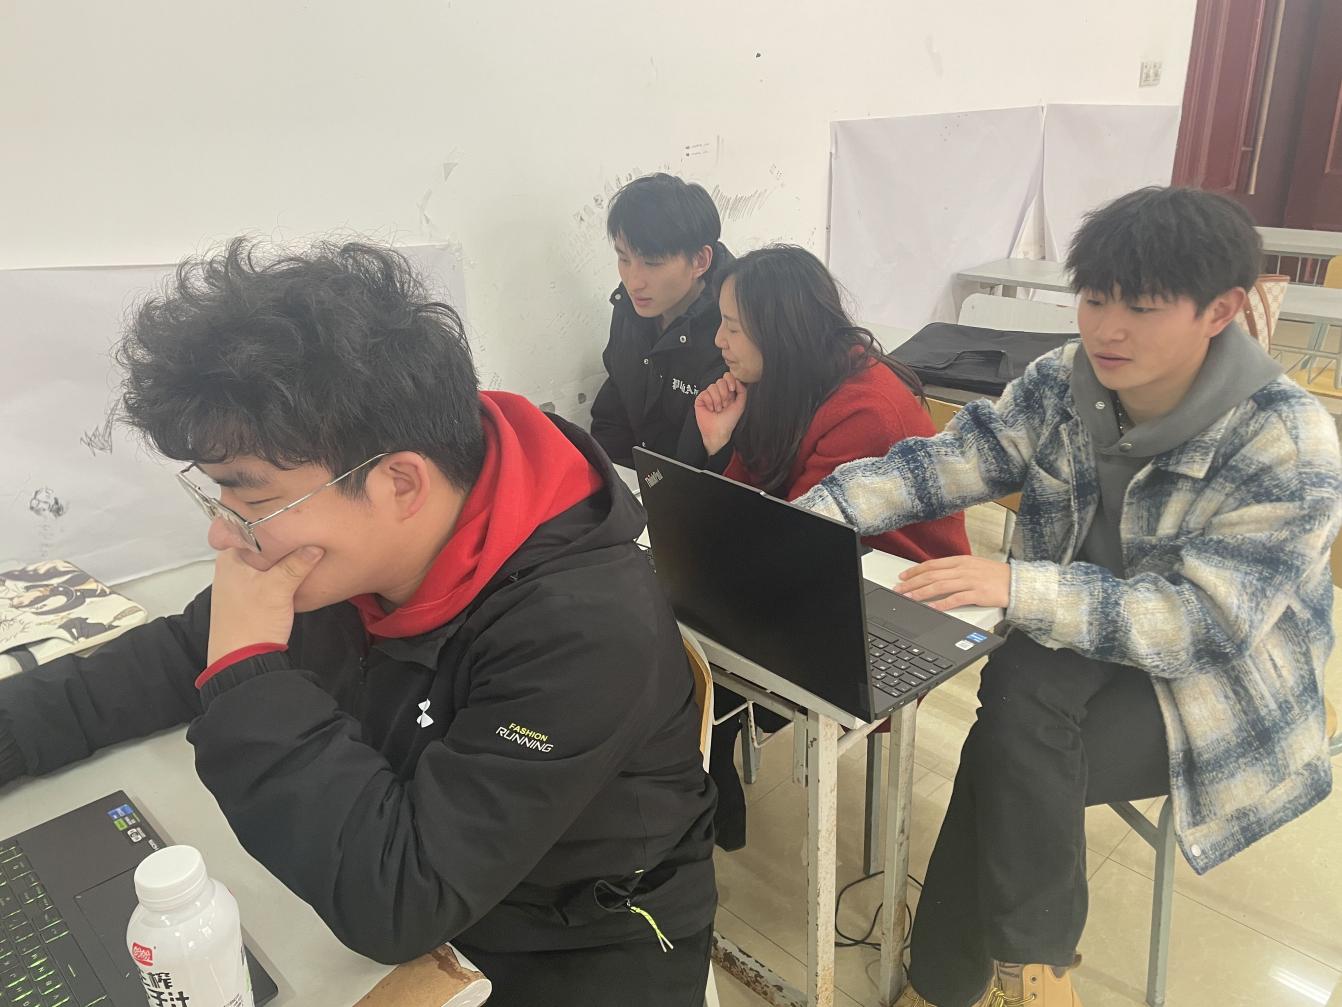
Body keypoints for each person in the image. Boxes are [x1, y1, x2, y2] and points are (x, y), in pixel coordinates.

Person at [0, 240, 718, 1007]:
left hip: (571, 937)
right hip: (399, 872)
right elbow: (180, 653)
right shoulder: (339, 549)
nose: (221, 531)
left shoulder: (586, 626)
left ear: (400, 483)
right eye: (216, 494)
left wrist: (246, 669)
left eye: (250, 497)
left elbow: (402, 901)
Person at [794, 187, 1342, 1007]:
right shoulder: (1063, 379)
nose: (1107, 330)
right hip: (1075, 641)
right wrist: (803, 524)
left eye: (1142, 308)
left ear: (1221, 310)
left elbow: (1205, 622)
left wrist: (1020, 586)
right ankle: (1032, 976)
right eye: (1093, 300)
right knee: (1019, 708)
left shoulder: (1284, 438)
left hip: (1214, 690)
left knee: (1006, 742)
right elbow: (946, 463)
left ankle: (955, 986)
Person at [693, 245, 971, 850]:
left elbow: (790, 534)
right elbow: (759, 511)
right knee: (681, 621)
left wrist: (726, 529)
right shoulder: (785, 380)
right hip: (820, 563)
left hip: (895, 599)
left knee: (690, 634)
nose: (718, 340)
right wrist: (721, 443)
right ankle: (709, 768)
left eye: (733, 326)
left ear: (780, 331)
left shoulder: (866, 408)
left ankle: (706, 777)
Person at [591, 173, 734, 470]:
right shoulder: (630, 308)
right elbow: (613, 413)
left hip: (696, 492)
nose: (633, 282)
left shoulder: (734, 329)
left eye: (652, 263)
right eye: (624, 258)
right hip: (633, 486)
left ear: (700, 261)